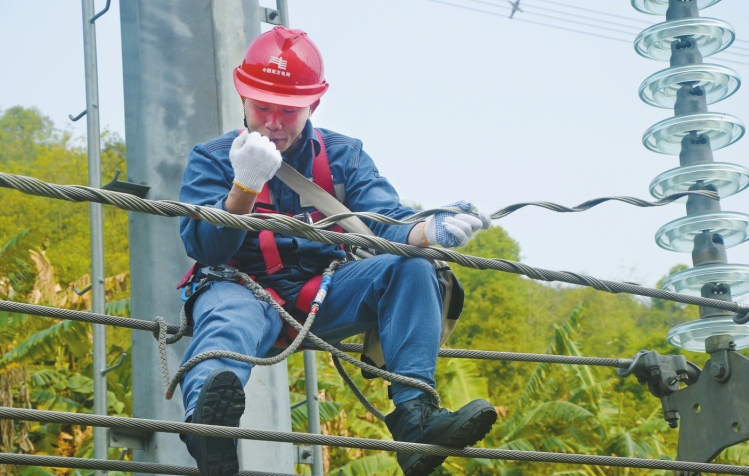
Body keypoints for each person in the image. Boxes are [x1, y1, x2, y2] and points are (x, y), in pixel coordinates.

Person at [177, 26, 496, 476]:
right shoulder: (211, 159)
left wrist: (430, 229)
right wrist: (242, 187)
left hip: (321, 292)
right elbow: (203, 247)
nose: (272, 122)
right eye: (261, 107)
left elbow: (385, 220)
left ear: (314, 104)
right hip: (242, 289)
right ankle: (210, 431)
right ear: (242, 95)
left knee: (411, 267)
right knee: (228, 316)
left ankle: (416, 421)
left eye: (287, 111)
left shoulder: (344, 157)